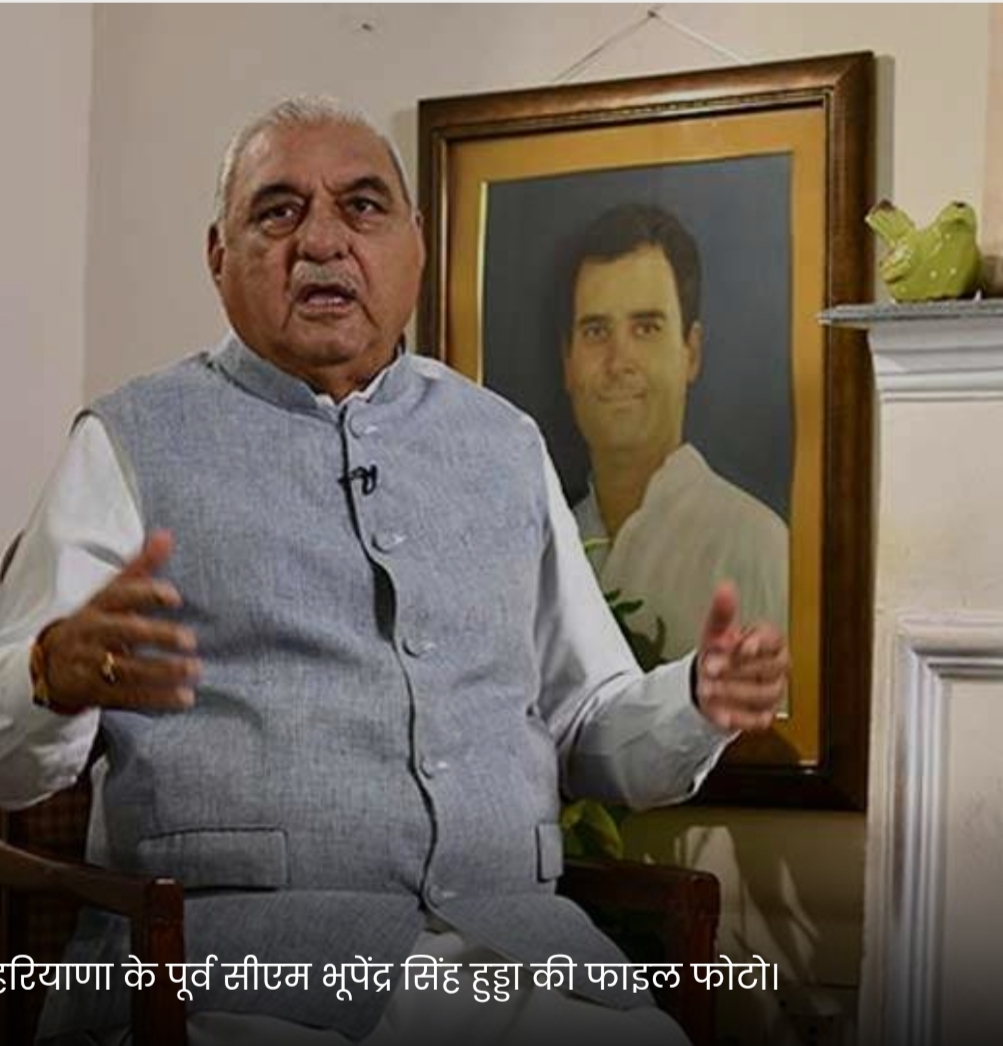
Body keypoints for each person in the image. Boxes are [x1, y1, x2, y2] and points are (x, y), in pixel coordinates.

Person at [0, 98, 788, 1046]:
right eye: (278, 211)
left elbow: (586, 720)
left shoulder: (502, 444)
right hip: (235, 981)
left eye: (362, 206)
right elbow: (9, 763)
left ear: (413, 243)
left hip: (519, 966)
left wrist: (696, 701)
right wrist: (50, 672)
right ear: (218, 256)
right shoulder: (128, 442)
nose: (321, 241)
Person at [561, 203, 789, 665]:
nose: (618, 362)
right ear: (568, 362)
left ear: (691, 352)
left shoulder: (757, 547)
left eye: (646, 328)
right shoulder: (546, 544)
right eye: (596, 331)